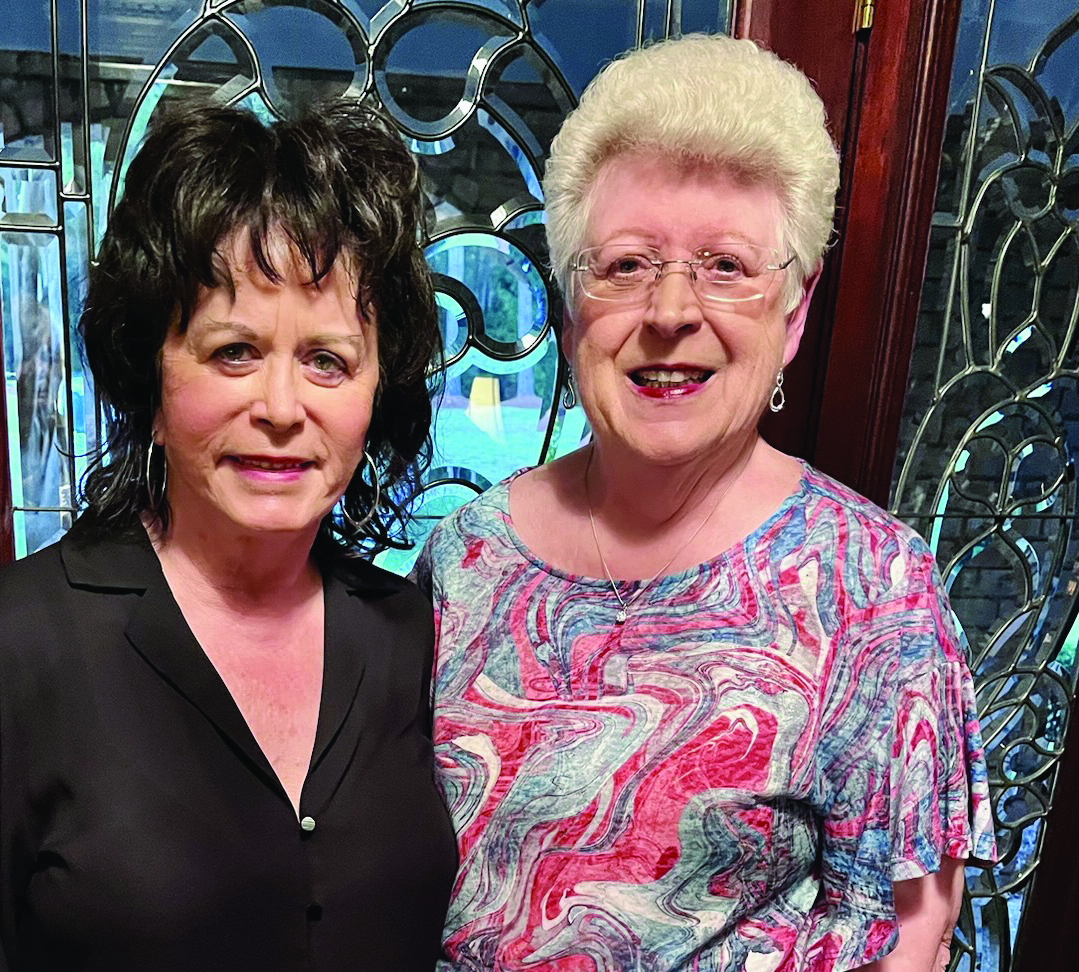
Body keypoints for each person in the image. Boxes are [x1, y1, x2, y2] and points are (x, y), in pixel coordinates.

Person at [414, 35, 995, 972]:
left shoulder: (875, 587)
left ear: (794, 312)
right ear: (571, 303)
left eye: (726, 265)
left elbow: (909, 930)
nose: (671, 311)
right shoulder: (464, 559)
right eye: (626, 265)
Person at [0, 99, 456, 971]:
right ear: (150, 381)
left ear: (375, 395)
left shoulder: (408, 635)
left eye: (327, 360)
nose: (280, 408)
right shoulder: (25, 642)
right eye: (233, 351)